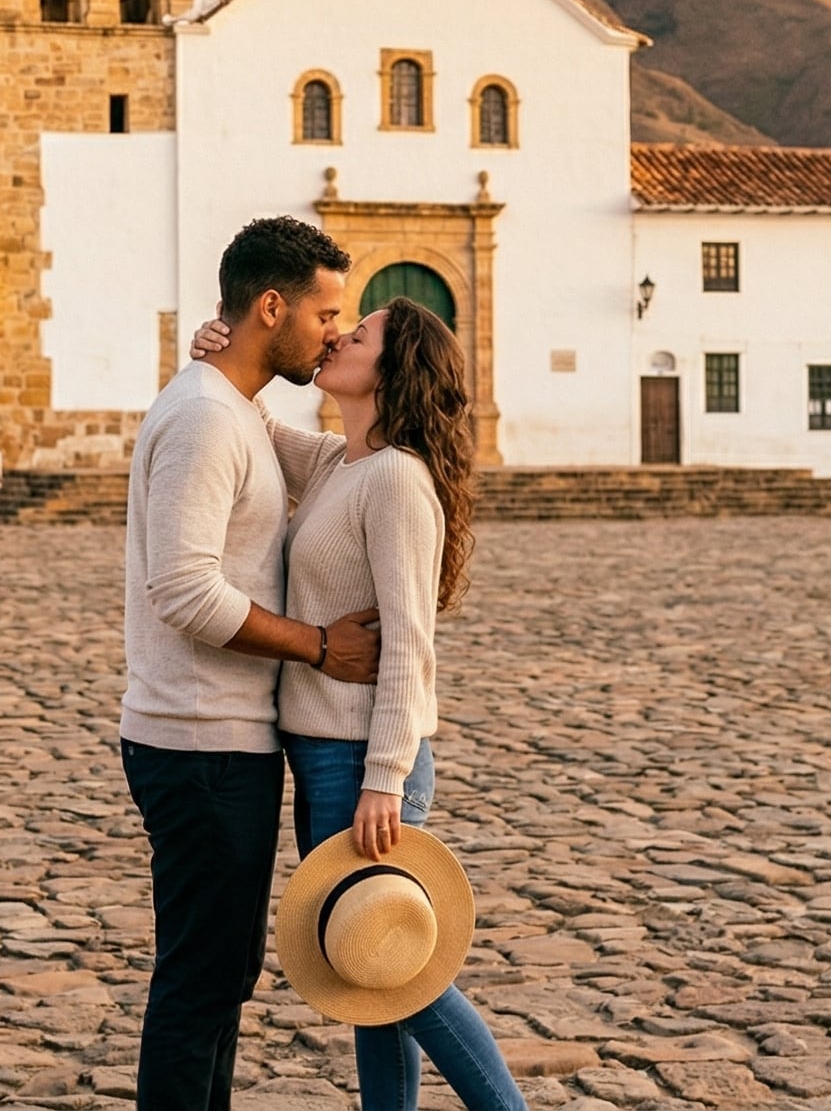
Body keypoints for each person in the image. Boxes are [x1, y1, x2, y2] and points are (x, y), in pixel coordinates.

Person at [190, 301, 527, 1111]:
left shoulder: (397, 479)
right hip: (322, 756)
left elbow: (411, 643)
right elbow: (255, 422)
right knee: (366, 971)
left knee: (400, 969)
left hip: (360, 762)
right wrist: (217, 350)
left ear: (391, 370)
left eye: (361, 333)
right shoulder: (338, 463)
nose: (340, 336)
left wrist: (385, 778)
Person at [121, 216, 379, 1111]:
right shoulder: (204, 418)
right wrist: (319, 645)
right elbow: (184, 590)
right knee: (201, 980)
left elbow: (338, 464)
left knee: (222, 976)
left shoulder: (231, 409)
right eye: (326, 314)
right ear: (272, 306)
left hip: (221, 740)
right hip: (198, 742)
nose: (335, 334)